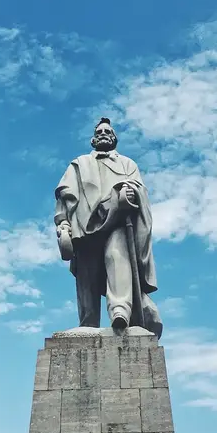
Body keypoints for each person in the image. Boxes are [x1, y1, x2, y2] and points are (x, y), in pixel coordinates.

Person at [54, 117, 163, 339]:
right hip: (84, 225)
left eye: (108, 131)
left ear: (114, 138)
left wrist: (132, 194)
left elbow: (139, 189)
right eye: (100, 131)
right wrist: (63, 223)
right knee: (87, 273)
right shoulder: (79, 164)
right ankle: (88, 322)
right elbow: (64, 197)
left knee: (117, 257)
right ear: (94, 139)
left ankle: (120, 311)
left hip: (117, 219)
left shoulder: (127, 164)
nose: (104, 133)